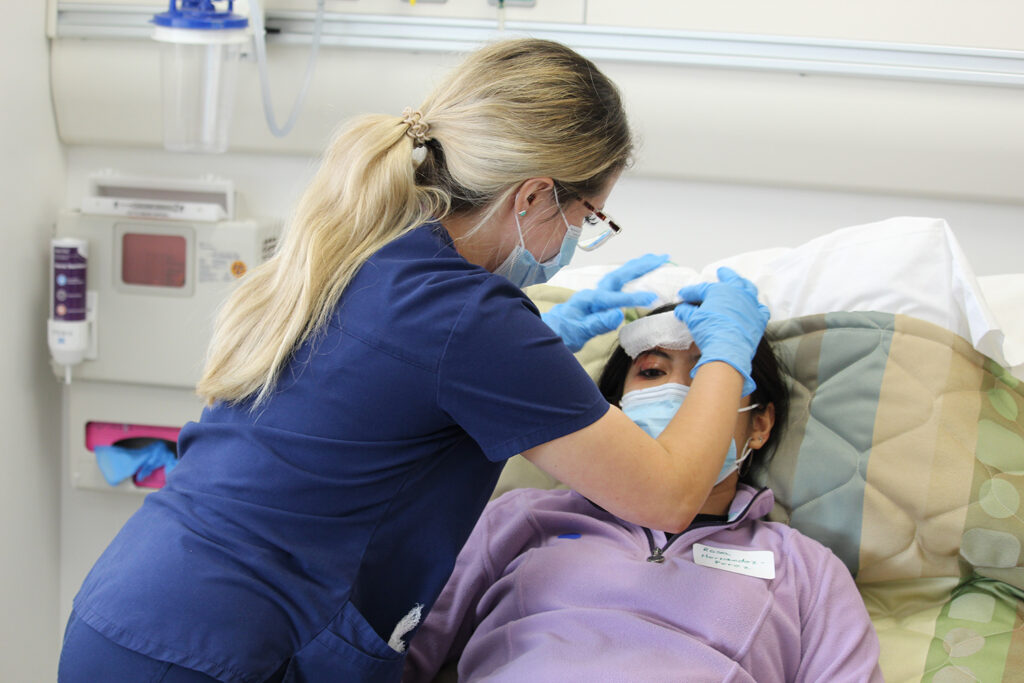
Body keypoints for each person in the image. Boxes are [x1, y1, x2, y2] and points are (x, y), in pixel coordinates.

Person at [59, 38, 769, 683]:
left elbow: (380, 389)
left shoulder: (367, 246)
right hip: (216, 652)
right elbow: (670, 494)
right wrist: (729, 349)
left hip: (130, 612)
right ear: (532, 195)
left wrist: (545, 334)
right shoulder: (472, 319)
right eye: (588, 216)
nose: (580, 238)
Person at [403, 305, 884, 682]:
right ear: (612, 407)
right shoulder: (520, 518)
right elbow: (395, 648)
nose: (675, 393)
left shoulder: (806, 569)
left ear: (759, 424)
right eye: (652, 372)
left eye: (707, 375)